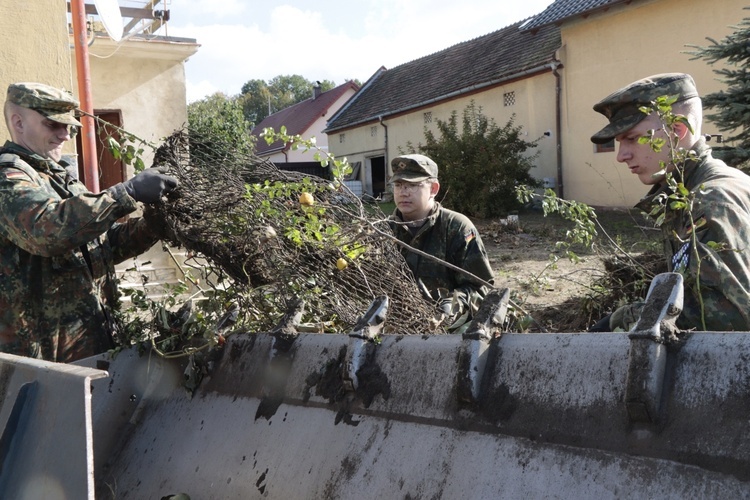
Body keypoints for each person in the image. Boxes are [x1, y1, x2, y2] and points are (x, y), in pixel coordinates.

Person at [0, 82, 178, 362]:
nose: (64, 135)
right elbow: (46, 230)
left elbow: (104, 246)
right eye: (52, 125)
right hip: (44, 367)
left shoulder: (60, 178)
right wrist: (126, 192)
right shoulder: (9, 178)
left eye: (68, 127)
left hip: (93, 348)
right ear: (18, 123)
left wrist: (155, 224)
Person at [589, 73, 750, 332]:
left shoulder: (710, 202)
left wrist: (624, 318)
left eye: (632, 138)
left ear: (677, 130)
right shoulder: (690, 190)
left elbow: (729, 324)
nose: (621, 156)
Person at [387, 153, 495, 325]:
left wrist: (452, 306)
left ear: (434, 189)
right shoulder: (384, 230)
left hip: (447, 332)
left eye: (413, 185)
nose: (403, 192)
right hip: (394, 327)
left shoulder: (457, 227)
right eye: (398, 185)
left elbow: (481, 288)